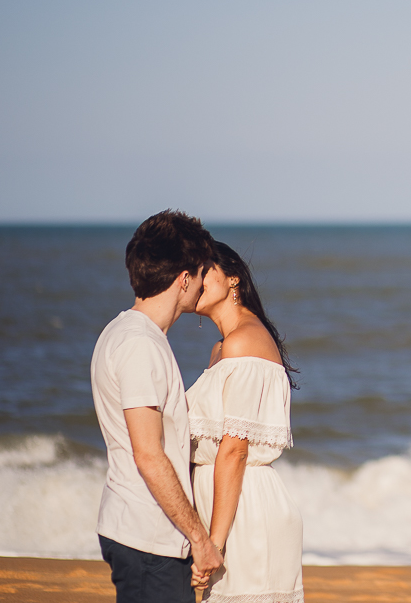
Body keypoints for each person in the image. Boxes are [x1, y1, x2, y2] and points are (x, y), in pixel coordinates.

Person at [91, 210, 224, 603]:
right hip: (148, 537)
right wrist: (200, 539)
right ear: (185, 279)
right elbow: (148, 454)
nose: (202, 286)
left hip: (144, 533)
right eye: (200, 275)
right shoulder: (139, 344)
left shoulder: (126, 333)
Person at [187, 240, 303, 603]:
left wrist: (214, 542)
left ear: (233, 278)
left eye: (206, 271)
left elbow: (234, 450)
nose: (196, 280)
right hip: (225, 506)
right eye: (192, 273)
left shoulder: (242, 343)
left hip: (243, 515)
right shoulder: (222, 348)